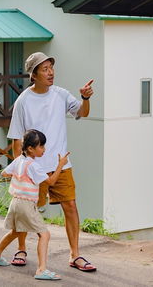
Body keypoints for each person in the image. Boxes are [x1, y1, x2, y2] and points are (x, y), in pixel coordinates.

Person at [7, 52, 96, 272]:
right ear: (33, 74)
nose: (50, 73)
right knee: (25, 210)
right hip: (33, 167)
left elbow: (82, 113)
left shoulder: (61, 94)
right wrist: (20, 167)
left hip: (60, 164)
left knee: (71, 206)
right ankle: (21, 249)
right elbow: (17, 138)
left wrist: (85, 98)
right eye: (44, 69)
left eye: (51, 68)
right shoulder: (23, 101)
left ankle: (75, 255)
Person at [0, 129, 69, 281]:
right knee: (44, 234)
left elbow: (4, 173)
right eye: (41, 147)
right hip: (26, 204)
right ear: (31, 148)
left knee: (16, 231)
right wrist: (60, 165)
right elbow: (51, 182)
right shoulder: (33, 166)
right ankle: (41, 270)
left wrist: (19, 177)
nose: (44, 150)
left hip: (15, 202)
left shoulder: (19, 161)